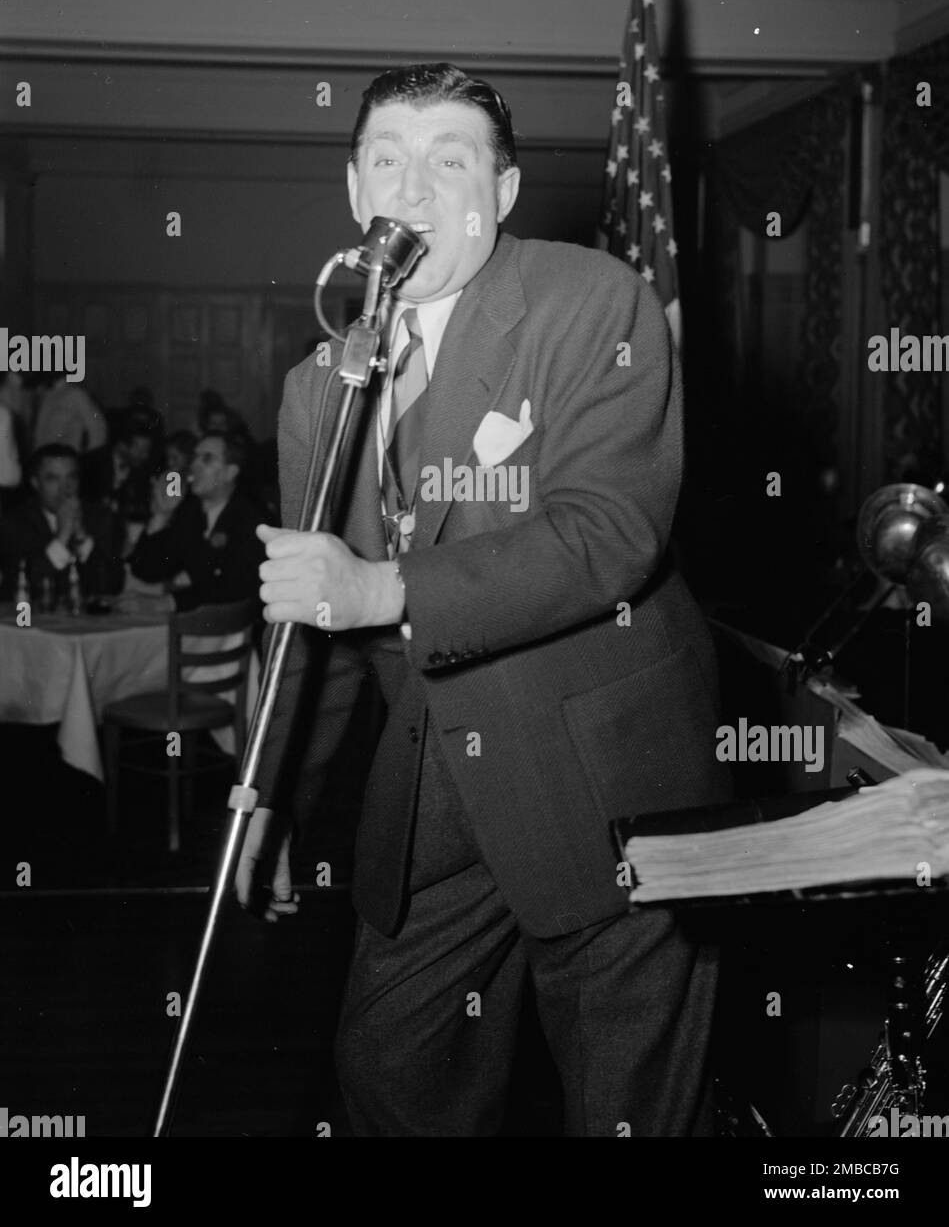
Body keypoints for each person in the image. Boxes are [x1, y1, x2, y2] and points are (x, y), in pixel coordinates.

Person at [236, 62, 730, 1137]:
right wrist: (269, 789)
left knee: (627, 1111)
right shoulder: (319, 384)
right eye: (386, 161)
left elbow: (609, 533)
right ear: (353, 186)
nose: (410, 191)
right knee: (390, 1078)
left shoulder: (590, 298)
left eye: (447, 161)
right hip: (434, 793)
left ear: (499, 194)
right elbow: (317, 615)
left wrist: (383, 587)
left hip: (612, 786)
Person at [128, 432, 262, 611]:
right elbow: (147, 571)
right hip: (205, 622)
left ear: (230, 472)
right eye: (194, 457)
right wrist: (160, 516)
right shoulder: (191, 512)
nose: (194, 465)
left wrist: (169, 602)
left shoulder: (251, 516)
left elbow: (236, 588)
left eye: (206, 459)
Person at [0, 443, 123, 603]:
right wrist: (62, 538)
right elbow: (21, 588)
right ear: (35, 483)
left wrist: (82, 536)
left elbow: (113, 585)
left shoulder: (99, 516)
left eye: (71, 477)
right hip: (30, 621)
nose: (65, 488)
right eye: (53, 479)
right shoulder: (15, 521)